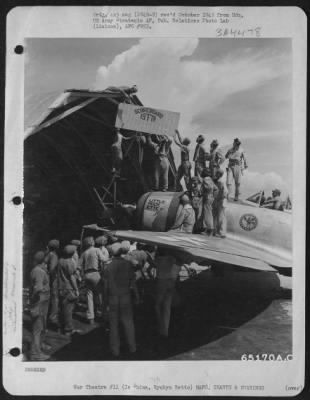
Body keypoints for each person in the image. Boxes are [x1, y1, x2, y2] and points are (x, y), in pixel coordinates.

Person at [103, 243, 139, 357]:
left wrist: (104, 302)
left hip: (113, 297)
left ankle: (115, 351)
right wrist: (137, 296)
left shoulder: (108, 266)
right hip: (125, 296)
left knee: (113, 325)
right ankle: (132, 347)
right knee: (128, 323)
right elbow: (133, 283)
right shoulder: (127, 264)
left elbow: (105, 287)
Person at [153, 248, 182, 340]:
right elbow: (178, 265)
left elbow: (153, 265)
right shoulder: (173, 258)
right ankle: (165, 330)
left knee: (157, 305)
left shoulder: (159, 259)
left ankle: (159, 325)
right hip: (170, 282)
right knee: (167, 306)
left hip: (161, 282)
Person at [79, 236, 108, 324]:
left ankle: (90, 317)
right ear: (92, 243)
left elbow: (79, 266)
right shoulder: (96, 250)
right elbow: (104, 260)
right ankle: (104, 315)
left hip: (87, 275)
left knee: (89, 296)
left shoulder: (84, 253)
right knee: (100, 296)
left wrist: (81, 275)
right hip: (96, 274)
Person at [29, 251, 51, 361]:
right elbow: (37, 288)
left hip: (41, 302)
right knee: (37, 328)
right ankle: (35, 354)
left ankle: (40, 346)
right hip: (39, 302)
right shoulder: (39, 272)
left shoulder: (38, 270)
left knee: (42, 325)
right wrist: (34, 301)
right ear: (43, 260)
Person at [57, 245, 80, 336]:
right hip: (69, 287)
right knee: (69, 309)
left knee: (63, 308)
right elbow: (71, 277)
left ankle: (62, 326)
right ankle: (68, 329)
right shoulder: (69, 262)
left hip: (61, 286)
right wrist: (76, 289)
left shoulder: (60, 260)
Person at [45, 239, 60, 326]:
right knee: (55, 298)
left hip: (47, 279)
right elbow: (52, 269)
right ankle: (53, 318)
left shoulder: (48, 254)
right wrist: (54, 278)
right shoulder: (54, 255)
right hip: (53, 279)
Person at [200, 168, 219, 235]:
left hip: (207, 197)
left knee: (207, 213)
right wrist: (213, 197)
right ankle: (209, 228)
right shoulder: (211, 179)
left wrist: (204, 193)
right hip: (210, 197)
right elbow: (216, 189)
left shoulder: (206, 179)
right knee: (209, 212)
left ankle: (209, 228)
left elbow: (208, 187)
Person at [212, 169, 228, 238]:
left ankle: (222, 233)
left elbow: (225, 192)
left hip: (221, 202)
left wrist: (219, 199)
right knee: (216, 217)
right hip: (217, 201)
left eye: (218, 173)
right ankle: (216, 231)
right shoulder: (216, 182)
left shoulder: (221, 182)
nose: (216, 174)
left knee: (221, 217)